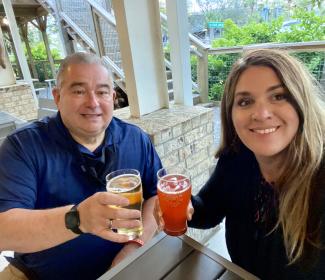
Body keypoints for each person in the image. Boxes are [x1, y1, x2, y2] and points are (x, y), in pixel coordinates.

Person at [155, 49, 325, 279]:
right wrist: (183, 205)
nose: (262, 113)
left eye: (278, 96)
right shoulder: (237, 158)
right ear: (230, 114)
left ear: (301, 102)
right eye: (245, 101)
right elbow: (208, 211)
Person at [0, 52, 162, 280]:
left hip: (121, 268)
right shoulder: (23, 147)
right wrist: (78, 219)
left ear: (113, 97)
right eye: (78, 91)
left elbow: (156, 195)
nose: (93, 102)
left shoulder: (135, 139)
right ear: (57, 97)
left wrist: (135, 246)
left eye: (102, 92)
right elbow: (3, 232)